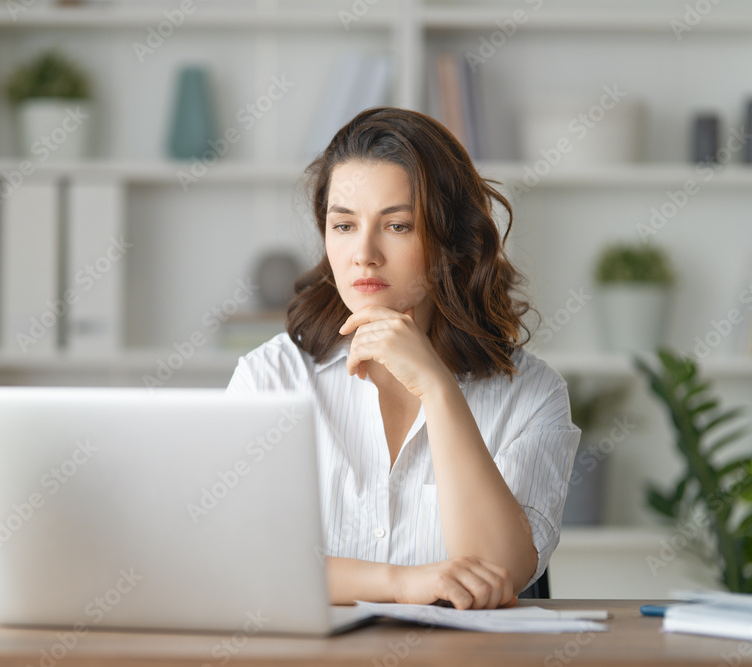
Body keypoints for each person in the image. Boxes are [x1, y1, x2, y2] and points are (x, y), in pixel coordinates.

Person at [225, 107, 580, 610]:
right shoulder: (270, 378)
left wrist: (438, 389)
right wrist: (401, 584)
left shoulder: (532, 394)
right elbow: (239, 563)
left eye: (396, 225)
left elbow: (496, 575)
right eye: (344, 226)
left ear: (452, 242)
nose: (363, 254)